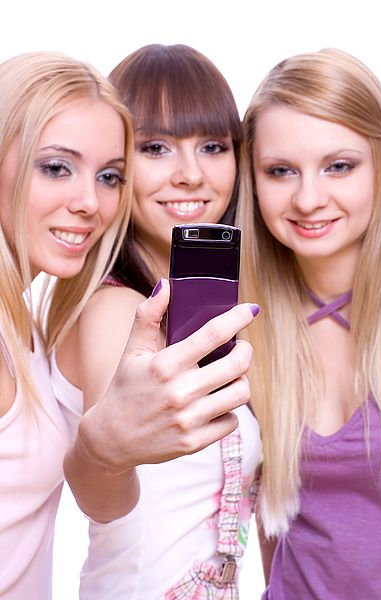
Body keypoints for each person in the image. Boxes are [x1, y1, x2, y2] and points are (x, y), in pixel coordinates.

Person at [0, 51, 257, 600]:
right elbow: (107, 496)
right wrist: (101, 453)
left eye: (108, 175)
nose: (89, 201)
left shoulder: (20, 322)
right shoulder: (109, 311)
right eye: (55, 167)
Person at [236, 48, 381, 599]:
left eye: (339, 166)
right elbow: (268, 524)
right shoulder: (244, 325)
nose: (308, 198)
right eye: (280, 171)